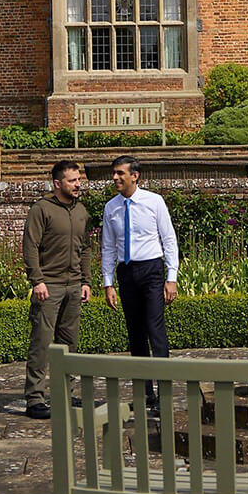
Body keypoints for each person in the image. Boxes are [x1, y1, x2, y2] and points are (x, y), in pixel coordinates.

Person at [101, 155, 179, 414]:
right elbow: (108, 247)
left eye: (120, 173)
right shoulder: (111, 207)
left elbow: (169, 239)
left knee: (155, 329)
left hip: (152, 270)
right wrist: (108, 283)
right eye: (114, 173)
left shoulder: (154, 201)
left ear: (135, 176)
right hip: (127, 272)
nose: (115, 178)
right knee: (135, 334)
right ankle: (145, 393)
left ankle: (164, 392)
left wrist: (171, 277)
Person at [21, 159, 92, 420]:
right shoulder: (42, 209)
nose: (77, 185)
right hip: (48, 286)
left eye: (79, 180)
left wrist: (86, 281)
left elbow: (85, 248)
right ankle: (35, 398)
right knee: (41, 342)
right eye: (72, 180)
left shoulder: (81, 210)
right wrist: (37, 280)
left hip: (74, 286)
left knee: (69, 343)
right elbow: (30, 246)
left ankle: (64, 392)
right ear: (57, 183)